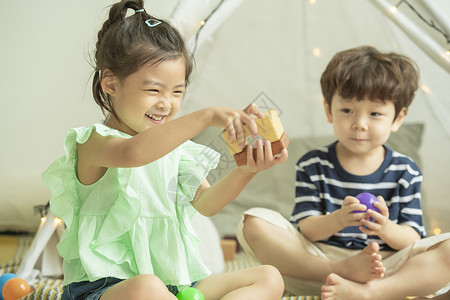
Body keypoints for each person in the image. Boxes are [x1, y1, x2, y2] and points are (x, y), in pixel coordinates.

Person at [42, 1, 288, 299]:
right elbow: (133, 154)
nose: (166, 103)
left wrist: (245, 170)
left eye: (177, 92)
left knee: (268, 277)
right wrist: (206, 116)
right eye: (153, 90)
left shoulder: (176, 148)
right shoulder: (94, 142)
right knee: (148, 287)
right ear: (110, 83)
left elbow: (205, 203)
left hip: (173, 288)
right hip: (104, 290)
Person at [236, 45, 450, 299]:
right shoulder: (312, 164)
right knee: (252, 222)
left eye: (375, 113)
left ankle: (369, 293)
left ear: (397, 119)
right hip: (320, 266)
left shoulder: (405, 170)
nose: (359, 123)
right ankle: (344, 275)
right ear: (329, 110)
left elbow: (411, 239)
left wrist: (384, 228)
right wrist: (339, 219)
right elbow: (307, 230)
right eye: (347, 110)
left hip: (386, 266)